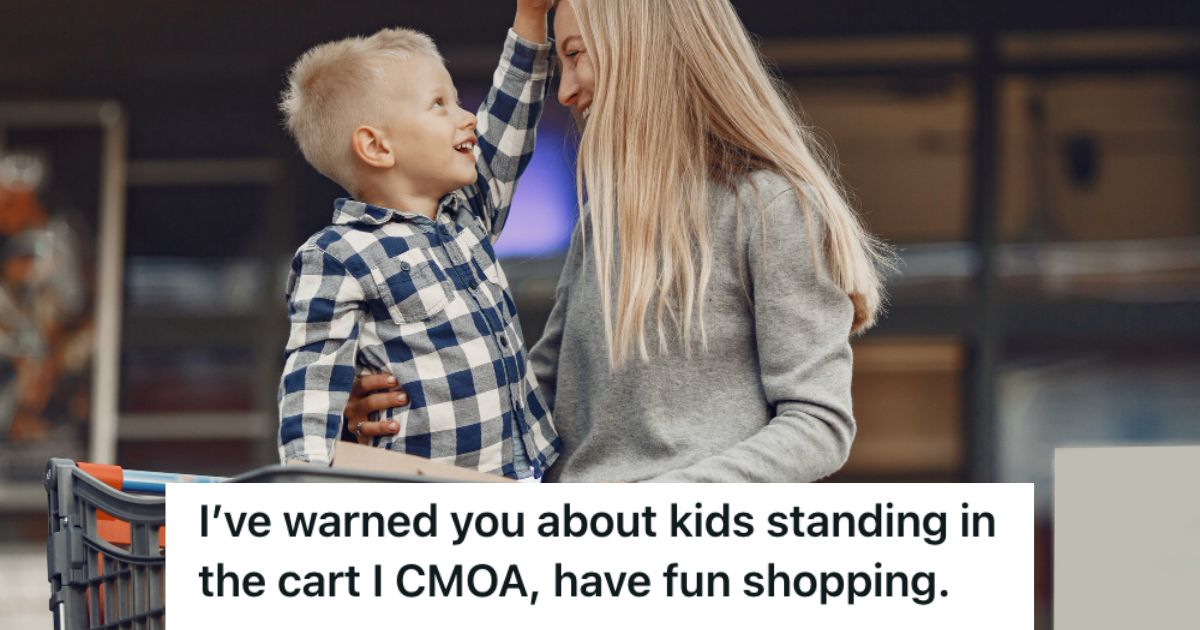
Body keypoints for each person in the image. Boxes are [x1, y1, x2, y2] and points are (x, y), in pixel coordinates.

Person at [343, 0, 892, 482]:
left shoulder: (769, 208)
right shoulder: (601, 223)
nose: (565, 90)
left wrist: (649, 510)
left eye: (577, 55)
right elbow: (536, 406)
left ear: (643, 51)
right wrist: (407, 406)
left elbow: (819, 424)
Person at [276, 0, 561, 480]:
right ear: (377, 146)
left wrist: (531, 17)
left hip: (530, 477)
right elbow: (312, 394)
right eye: (440, 104)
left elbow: (510, 117)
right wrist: (307, 487)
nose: (468, 117)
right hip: (432, 503)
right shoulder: (338, 257)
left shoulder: (468, 214)